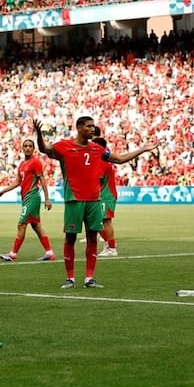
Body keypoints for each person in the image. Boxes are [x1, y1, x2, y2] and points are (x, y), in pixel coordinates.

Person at [33, 116, 158, 289]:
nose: (93, 129)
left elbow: (120, 159)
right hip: (74, 200)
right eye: (89, 126)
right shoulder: (64, 146)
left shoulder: (98, 149)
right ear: (79, 128)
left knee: (92, 238)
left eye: (94, 126)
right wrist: (39, 135)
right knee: (70, 238)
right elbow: (44, 149)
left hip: (94, 200)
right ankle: (70, 278)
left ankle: (89, 278)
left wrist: (143, 149)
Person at [0, 139, 55, 261]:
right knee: (36, 226)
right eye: (25, 146)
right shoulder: (22, 164)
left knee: (21, 224)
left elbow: (42, 179)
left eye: (30, 146)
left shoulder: (36, 162)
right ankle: (49, 253)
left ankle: (13, 254)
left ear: (33, 149)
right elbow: (17, 181)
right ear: (22, 148)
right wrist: (3, 191)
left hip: (32, 197)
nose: (27, 148)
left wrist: (47, 199)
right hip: (26, 198)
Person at [92, 136, 119, 257]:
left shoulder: (102, 161)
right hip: (105, 194)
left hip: (106, 195)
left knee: (105, 221)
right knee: (98, 221)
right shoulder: (106, 160)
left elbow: (98, 179)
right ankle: (110, 245)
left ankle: (111, 247)